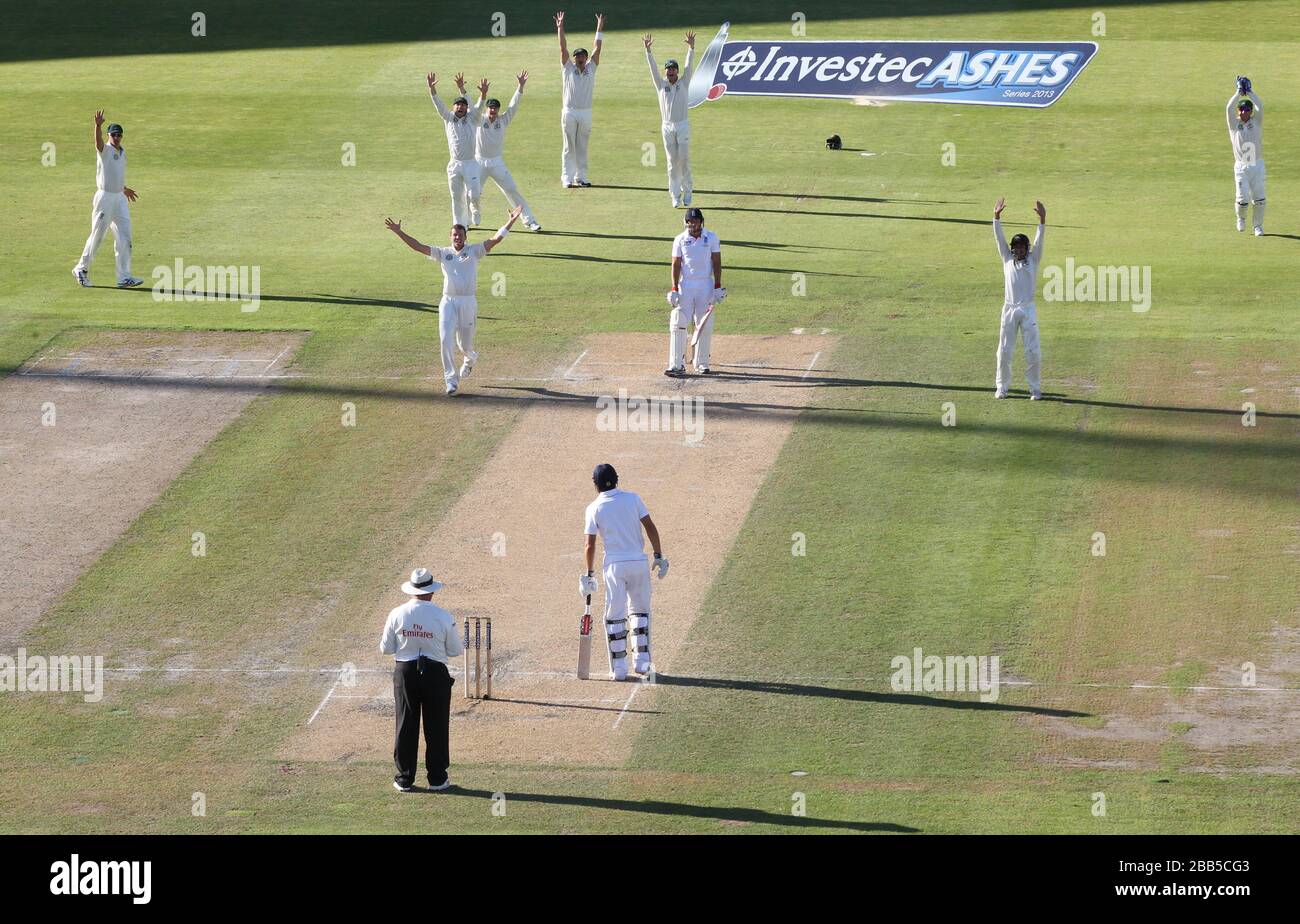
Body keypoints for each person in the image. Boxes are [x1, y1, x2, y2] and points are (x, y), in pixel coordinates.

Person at [384, 206, 523, 395]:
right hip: (448, 301)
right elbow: (418, 246)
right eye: (454, 235)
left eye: (460, 235)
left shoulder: (474, 251)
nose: (457, 237)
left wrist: (511, 220)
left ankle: (470, 359)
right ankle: (451, 380)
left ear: (465, 237)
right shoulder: (442, 253)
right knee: (444, 339)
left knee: (465, 345)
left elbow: (495, 239)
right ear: (450, 237)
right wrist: (400, 232)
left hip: (468, 302)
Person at [379, 568, 464, 792]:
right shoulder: (443, 616)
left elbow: (385, 648)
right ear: (432, 592)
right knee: (436, 725)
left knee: (405, 722)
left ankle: (404, 778)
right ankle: (437, 778)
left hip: (405, 671)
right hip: (435, 673)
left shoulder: (396, 613)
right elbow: (455, 650)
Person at [581, 464, 667, 681]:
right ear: (617, 479)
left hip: (614, 567)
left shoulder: (594, 508)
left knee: (615, 616)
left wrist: (589, 574)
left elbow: (589, 546)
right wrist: (658, 555)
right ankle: (642, 664)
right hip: (638, 563)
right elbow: (650, 527)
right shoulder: (633, 499)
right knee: (640, 612)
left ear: (595, 484)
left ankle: (619, 669)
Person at [72, 111, 143, 288]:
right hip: (104, 198)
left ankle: (124, 277)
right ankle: (81, 268)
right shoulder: (105, 150)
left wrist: (124, 189)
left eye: (119, 135)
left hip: (119, 198)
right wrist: (97, 126)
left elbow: (116, 173)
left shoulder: (123, 152)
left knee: (125, 237)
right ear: (108, 135)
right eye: (114, 134)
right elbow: (97, 143)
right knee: (97, 235)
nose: (117, 137)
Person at [471, 72, 542, 231]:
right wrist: (468, 91)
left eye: (495, 108)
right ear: (486, 109)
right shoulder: (478, 119)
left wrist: (520, 87)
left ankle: (529, 221)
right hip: (479, 162)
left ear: (498, 110)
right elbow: (471, 104)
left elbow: (514, 106)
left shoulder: (503, 120)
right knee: (472, 193)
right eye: (490, 108)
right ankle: (468, 219)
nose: (493, 111)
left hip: (496, 162)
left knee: (511, 190)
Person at [992, 198, 1046, 400]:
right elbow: (999, 240)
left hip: (1028, 309)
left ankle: (1035, 389)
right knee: (1004, 351)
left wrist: (1042, 220)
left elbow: (1040, 241)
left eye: (1023, 247)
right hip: (1009, 309)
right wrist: (996, 217)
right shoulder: (1007, 259)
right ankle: (1001, 387)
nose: (1019, 250)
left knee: (1032, 351)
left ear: (1027, 248)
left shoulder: (1033, 260)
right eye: (1016, 247)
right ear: (1013, 249)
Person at [665, 207, 725, 376]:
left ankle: (701, 363)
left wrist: (718, 286)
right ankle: (676, 364)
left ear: (701, 222)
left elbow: (717, 262)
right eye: (690, 222)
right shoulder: (679, 240)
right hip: (686, 286)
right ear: (686, 223)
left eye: (696, 221)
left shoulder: (711, 237)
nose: (693, 225)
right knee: (678, 322)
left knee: (704, 324)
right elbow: (676, 264)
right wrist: (674, 288)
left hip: (705, 285)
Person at [643, 32, 695, 208]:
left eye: (673, 69)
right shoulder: (661, 85)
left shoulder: (684, 82)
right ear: (666, 72)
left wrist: (691, 48)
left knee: (684, 160)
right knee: (672, 163)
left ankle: (688, 192)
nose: (671, 71)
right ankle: (675, 194)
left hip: (682, 126)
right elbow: (653, 70)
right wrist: (648, 51)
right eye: (668, 69)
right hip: (667, 127)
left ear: (677, 72)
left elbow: (689, 66)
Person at [428, 71, 487, 228]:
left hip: (471, 163)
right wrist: (432, 90)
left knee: (474, 194)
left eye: (463, 105)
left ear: (467, 108)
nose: (460, 107)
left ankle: (475, 209)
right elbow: (438, 104)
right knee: (456, 198)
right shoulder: (448, 118)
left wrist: (480, 94)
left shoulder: (473, 118)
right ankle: (459, 225)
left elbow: (480, 106)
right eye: (457, 105)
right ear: (453, 107)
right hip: (454, 165)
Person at [556, 11, 604, 188]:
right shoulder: (568, 68)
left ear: (586, 58)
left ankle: (581, 177)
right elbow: (563, 48)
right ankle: (566, 177)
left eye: (583, 56)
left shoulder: (592, 68)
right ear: (574, 59)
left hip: (586, 112)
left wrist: (599, 27)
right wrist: (560, 28)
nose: (580, 58)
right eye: (577, 56)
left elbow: (597, 47)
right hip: (569, 112)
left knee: (582, 146)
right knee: (569, 146)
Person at [1228, 76, 1265, 235]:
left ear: (1250, 112)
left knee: (1260, 200)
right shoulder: (1234, 125)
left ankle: (1257, 226)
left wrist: (1249, 92)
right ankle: (1241, 218)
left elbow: (1260, 106)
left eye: (1246, 110)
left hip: (1257, 165)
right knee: (1242, 200)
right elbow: (1228, 108)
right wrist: (1238, 92)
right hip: (1241, 167)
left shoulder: (1256, 121)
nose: (1243, 112)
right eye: (1241, 109)